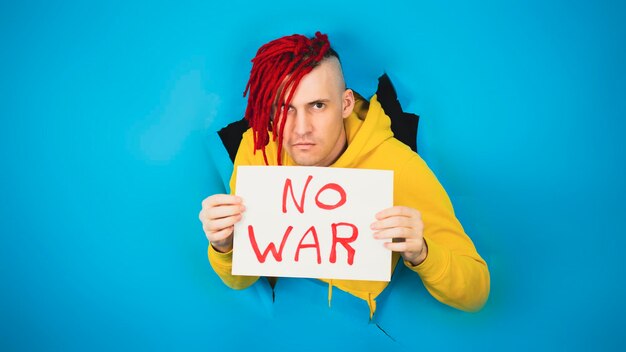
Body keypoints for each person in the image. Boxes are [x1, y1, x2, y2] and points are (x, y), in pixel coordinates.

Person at [199, 32, 490, 318]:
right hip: (285, 320)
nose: (301, 128)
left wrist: (424, 253)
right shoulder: (259, 148)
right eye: (286, 108)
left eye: (317, 105)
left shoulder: (398, 166)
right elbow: (241, 279)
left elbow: (476, 293)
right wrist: (223, 246)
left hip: (358, 324)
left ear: (346, 104)